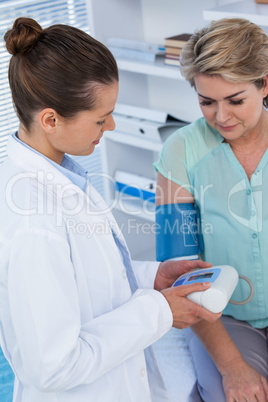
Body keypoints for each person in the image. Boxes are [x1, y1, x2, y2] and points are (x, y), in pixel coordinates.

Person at [0, 17, 220, 402]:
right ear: (50, 120)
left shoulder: (63, 172)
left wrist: (153, 276)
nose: (113, 125)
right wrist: (159, 312)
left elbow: (84, 279)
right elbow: (54, 365)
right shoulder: (30, 218)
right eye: (101, 119)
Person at [154, 17, 268, 402]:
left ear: (265, 85)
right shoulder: (181, 151)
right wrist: (233, 367)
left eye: (235, 100)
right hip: (222, 317)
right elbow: (180, 271)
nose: (221, 117)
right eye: (206, 102)